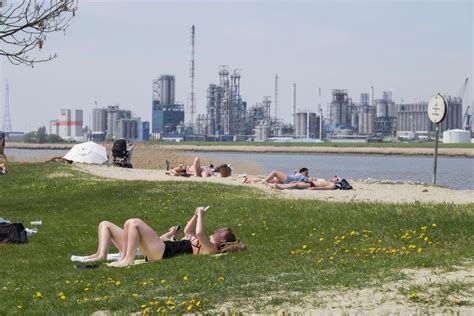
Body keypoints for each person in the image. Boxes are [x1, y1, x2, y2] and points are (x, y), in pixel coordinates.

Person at [80, 206, 245, 267]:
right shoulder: (202, 243)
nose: (216, 231)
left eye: (220, 232)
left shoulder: (211, 248)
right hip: (159, 249)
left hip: (163, 251)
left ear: (222, 241)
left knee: (135, 222)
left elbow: (200, 233)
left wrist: (201, 215)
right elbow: (188, 231)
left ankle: (128, 259)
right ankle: (118, 256)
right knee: (127, 223)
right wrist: (195, 214)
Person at [272, 175, 340, 190]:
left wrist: (316, 188)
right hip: (311, 183)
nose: (333, 177)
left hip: (312, 185)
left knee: (296, 185)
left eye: (335, 178)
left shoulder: (333, 184)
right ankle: (275, 186)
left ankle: (281, 188)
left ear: (337, 181)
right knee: (294, 183)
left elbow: (326, 188)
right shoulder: (326, 180)